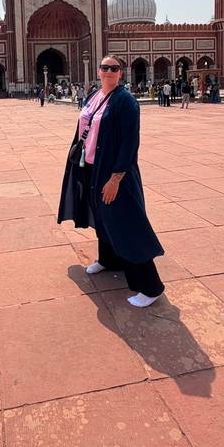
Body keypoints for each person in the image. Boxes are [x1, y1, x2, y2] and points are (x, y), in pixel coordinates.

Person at [58, 56, 165, 308]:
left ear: (121, 73)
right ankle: (109, 260)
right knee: (103, 217)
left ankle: (151, 287)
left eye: (113, 68)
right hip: (91, 168)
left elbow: (130, 144)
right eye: (104, 67)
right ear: (98, 71)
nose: (108, 71)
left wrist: (115, 178)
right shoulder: (94, 95)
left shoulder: (125, 101)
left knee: (126, 224)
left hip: (115, 174)